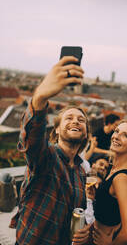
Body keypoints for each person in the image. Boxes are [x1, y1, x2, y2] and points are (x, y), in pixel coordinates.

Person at [10, 56, 92, 245]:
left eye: (81, 120)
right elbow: (33, 138)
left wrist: (85, 229)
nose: (75, 122)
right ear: (56, 130)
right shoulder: (46, 157)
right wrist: (40, 98)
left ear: (86, 131)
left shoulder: (81, 172)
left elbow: (75, 214)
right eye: (69, 118)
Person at [81, 119, 127, 245]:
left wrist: (110, 244)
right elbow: (113, 205)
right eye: (117, 131)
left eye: (125, 135)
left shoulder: (121, 178)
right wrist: (99, 195)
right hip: (97, 232)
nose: (116, 136)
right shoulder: (115, 166)